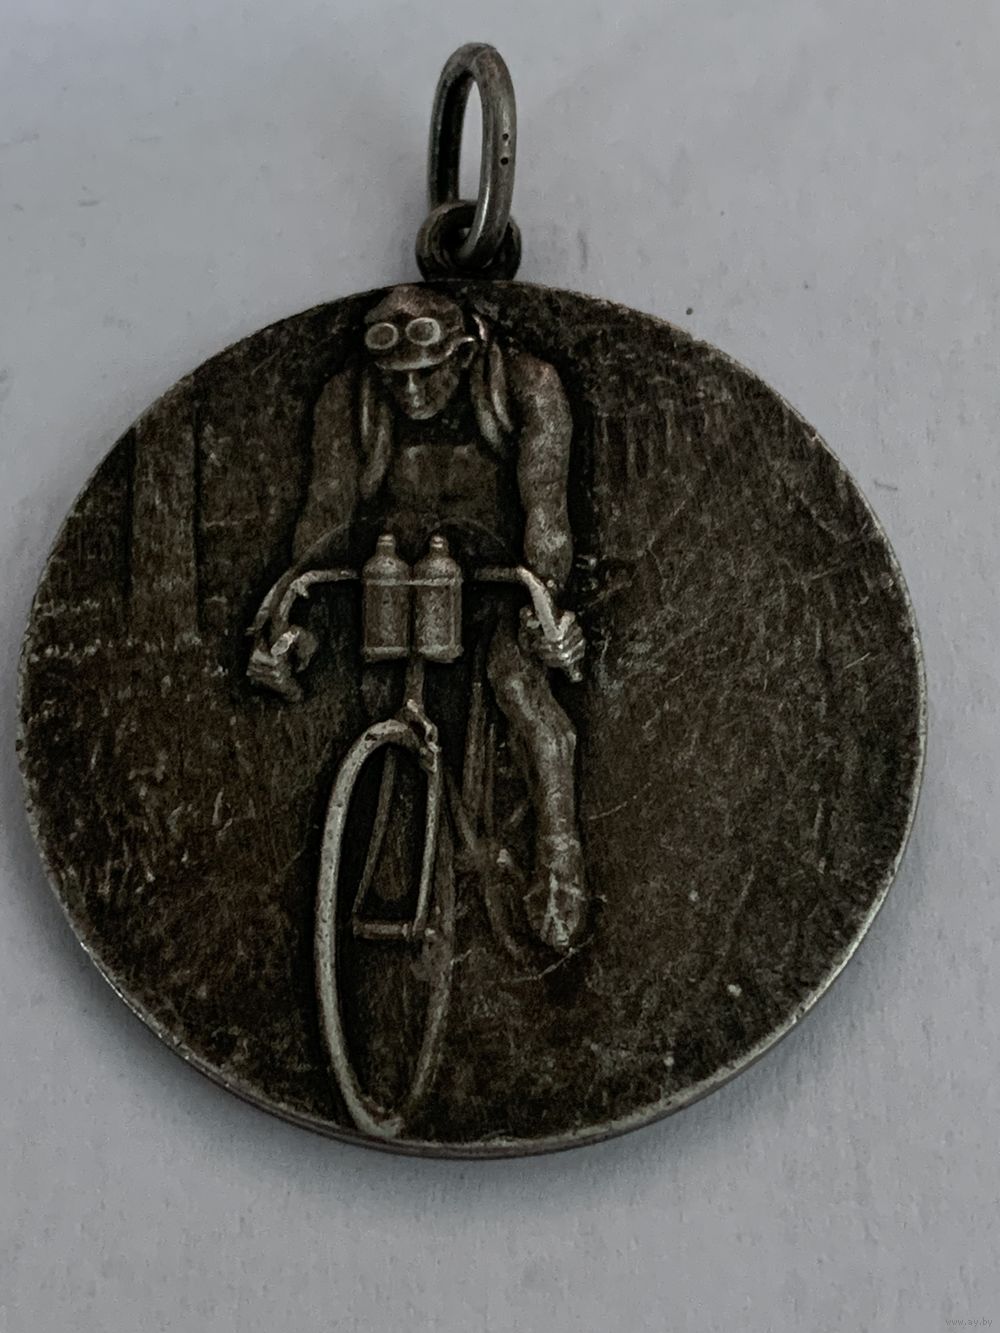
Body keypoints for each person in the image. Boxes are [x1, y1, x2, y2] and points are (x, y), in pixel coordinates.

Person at [249, 285, 587, 953]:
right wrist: (287, 618)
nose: (410, 391)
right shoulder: (348, 400)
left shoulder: (525, 386)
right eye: (394, 376)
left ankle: (559, 858)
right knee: (337, 678)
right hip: (390, 576)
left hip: (497, 579)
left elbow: (547, 513)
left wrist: (547, 605)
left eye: (428, 373)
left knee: (520, 689)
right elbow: (323, 517)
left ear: (465, 353)